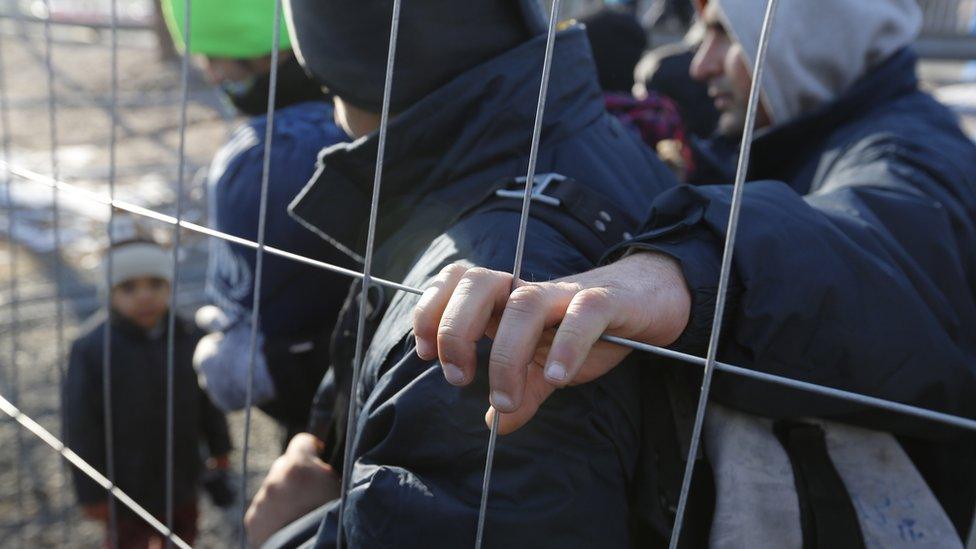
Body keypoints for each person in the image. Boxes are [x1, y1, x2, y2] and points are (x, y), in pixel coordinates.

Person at [415, 0, 976, 543]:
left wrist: (677, 271)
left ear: (811, 36)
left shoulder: (914, 151)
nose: (701, 63)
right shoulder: (805, 133)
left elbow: (869, 234)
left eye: (727, 34)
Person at [244, 0, 681, 546]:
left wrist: (282, 536)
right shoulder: (587, 135)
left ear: (357, 61)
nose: (333, 108)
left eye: (328, 80)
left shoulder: (473, 318)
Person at [161, 0, 355, 441]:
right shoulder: (354, 127)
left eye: (217, 56)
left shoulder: (266, 158)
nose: (210, 74)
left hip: (310, 398)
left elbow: (254, 302)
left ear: (271, 50)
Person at [63, 231, 233, 548]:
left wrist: (220, 449)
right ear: (109, 293)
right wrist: (90, 491)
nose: (144, 296)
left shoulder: (188, 335)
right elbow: (80, 427)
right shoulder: (91, 349)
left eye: (156, 284)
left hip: (181, 476)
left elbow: (209, 400)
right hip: (124, 488)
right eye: (128, 287)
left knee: (184, 537)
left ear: (169, 286)